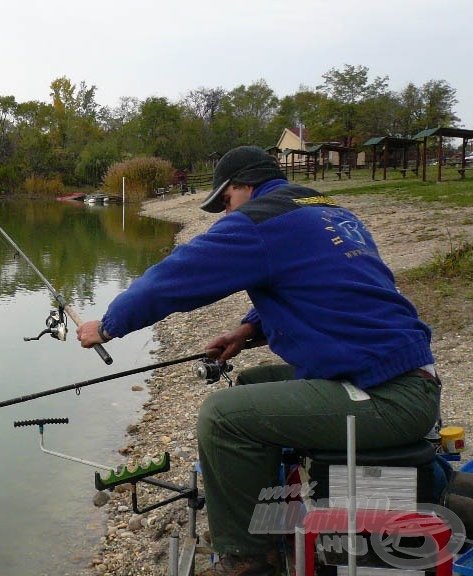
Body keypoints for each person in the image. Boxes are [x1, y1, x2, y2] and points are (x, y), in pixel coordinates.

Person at [77, 145, 439, 576]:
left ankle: (248, 558)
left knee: (221, 417)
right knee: (250, 385)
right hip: (394, 374)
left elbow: (177, 277)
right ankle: (273, 516)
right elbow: (320, 285)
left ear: (243, 186)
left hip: (389, 397)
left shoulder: (261, 221)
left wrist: (108, 325)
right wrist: (248, 330)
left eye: (226, 203)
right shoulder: (326, 211)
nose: (226, 216)